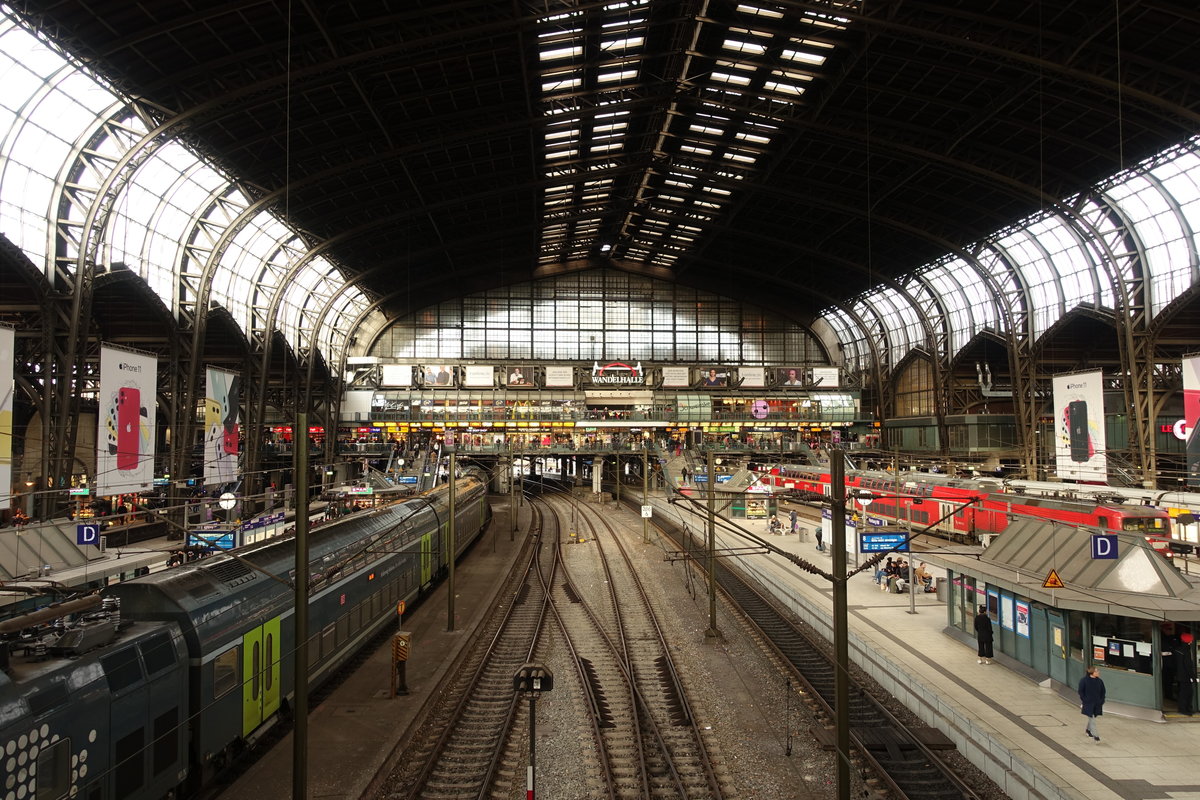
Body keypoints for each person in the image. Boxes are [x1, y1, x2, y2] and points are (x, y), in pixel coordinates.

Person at [1078, 665, 1106, 741]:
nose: (1098, 672)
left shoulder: (1099, 681)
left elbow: (1103, 691)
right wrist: (1085, 700)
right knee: (1092, 718)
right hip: (1088, 703)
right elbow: (1081, 691)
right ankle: (1096, 736)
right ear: (1092, 673)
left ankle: (1088, 730)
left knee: (1093, 717)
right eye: (1096, 671)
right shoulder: (1084, 681)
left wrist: (1102, 700)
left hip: (1097, 703)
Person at [1174, 632, 1196, 716]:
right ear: (1189, 641)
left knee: (1183, 692)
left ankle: (1184, 708)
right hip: (1186, 676)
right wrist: (1193, 676)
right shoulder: (1186, 651)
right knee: (1188, 693)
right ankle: (1185, 709)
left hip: (1179, 674)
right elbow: (1188, 665)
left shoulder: (1178, 649)